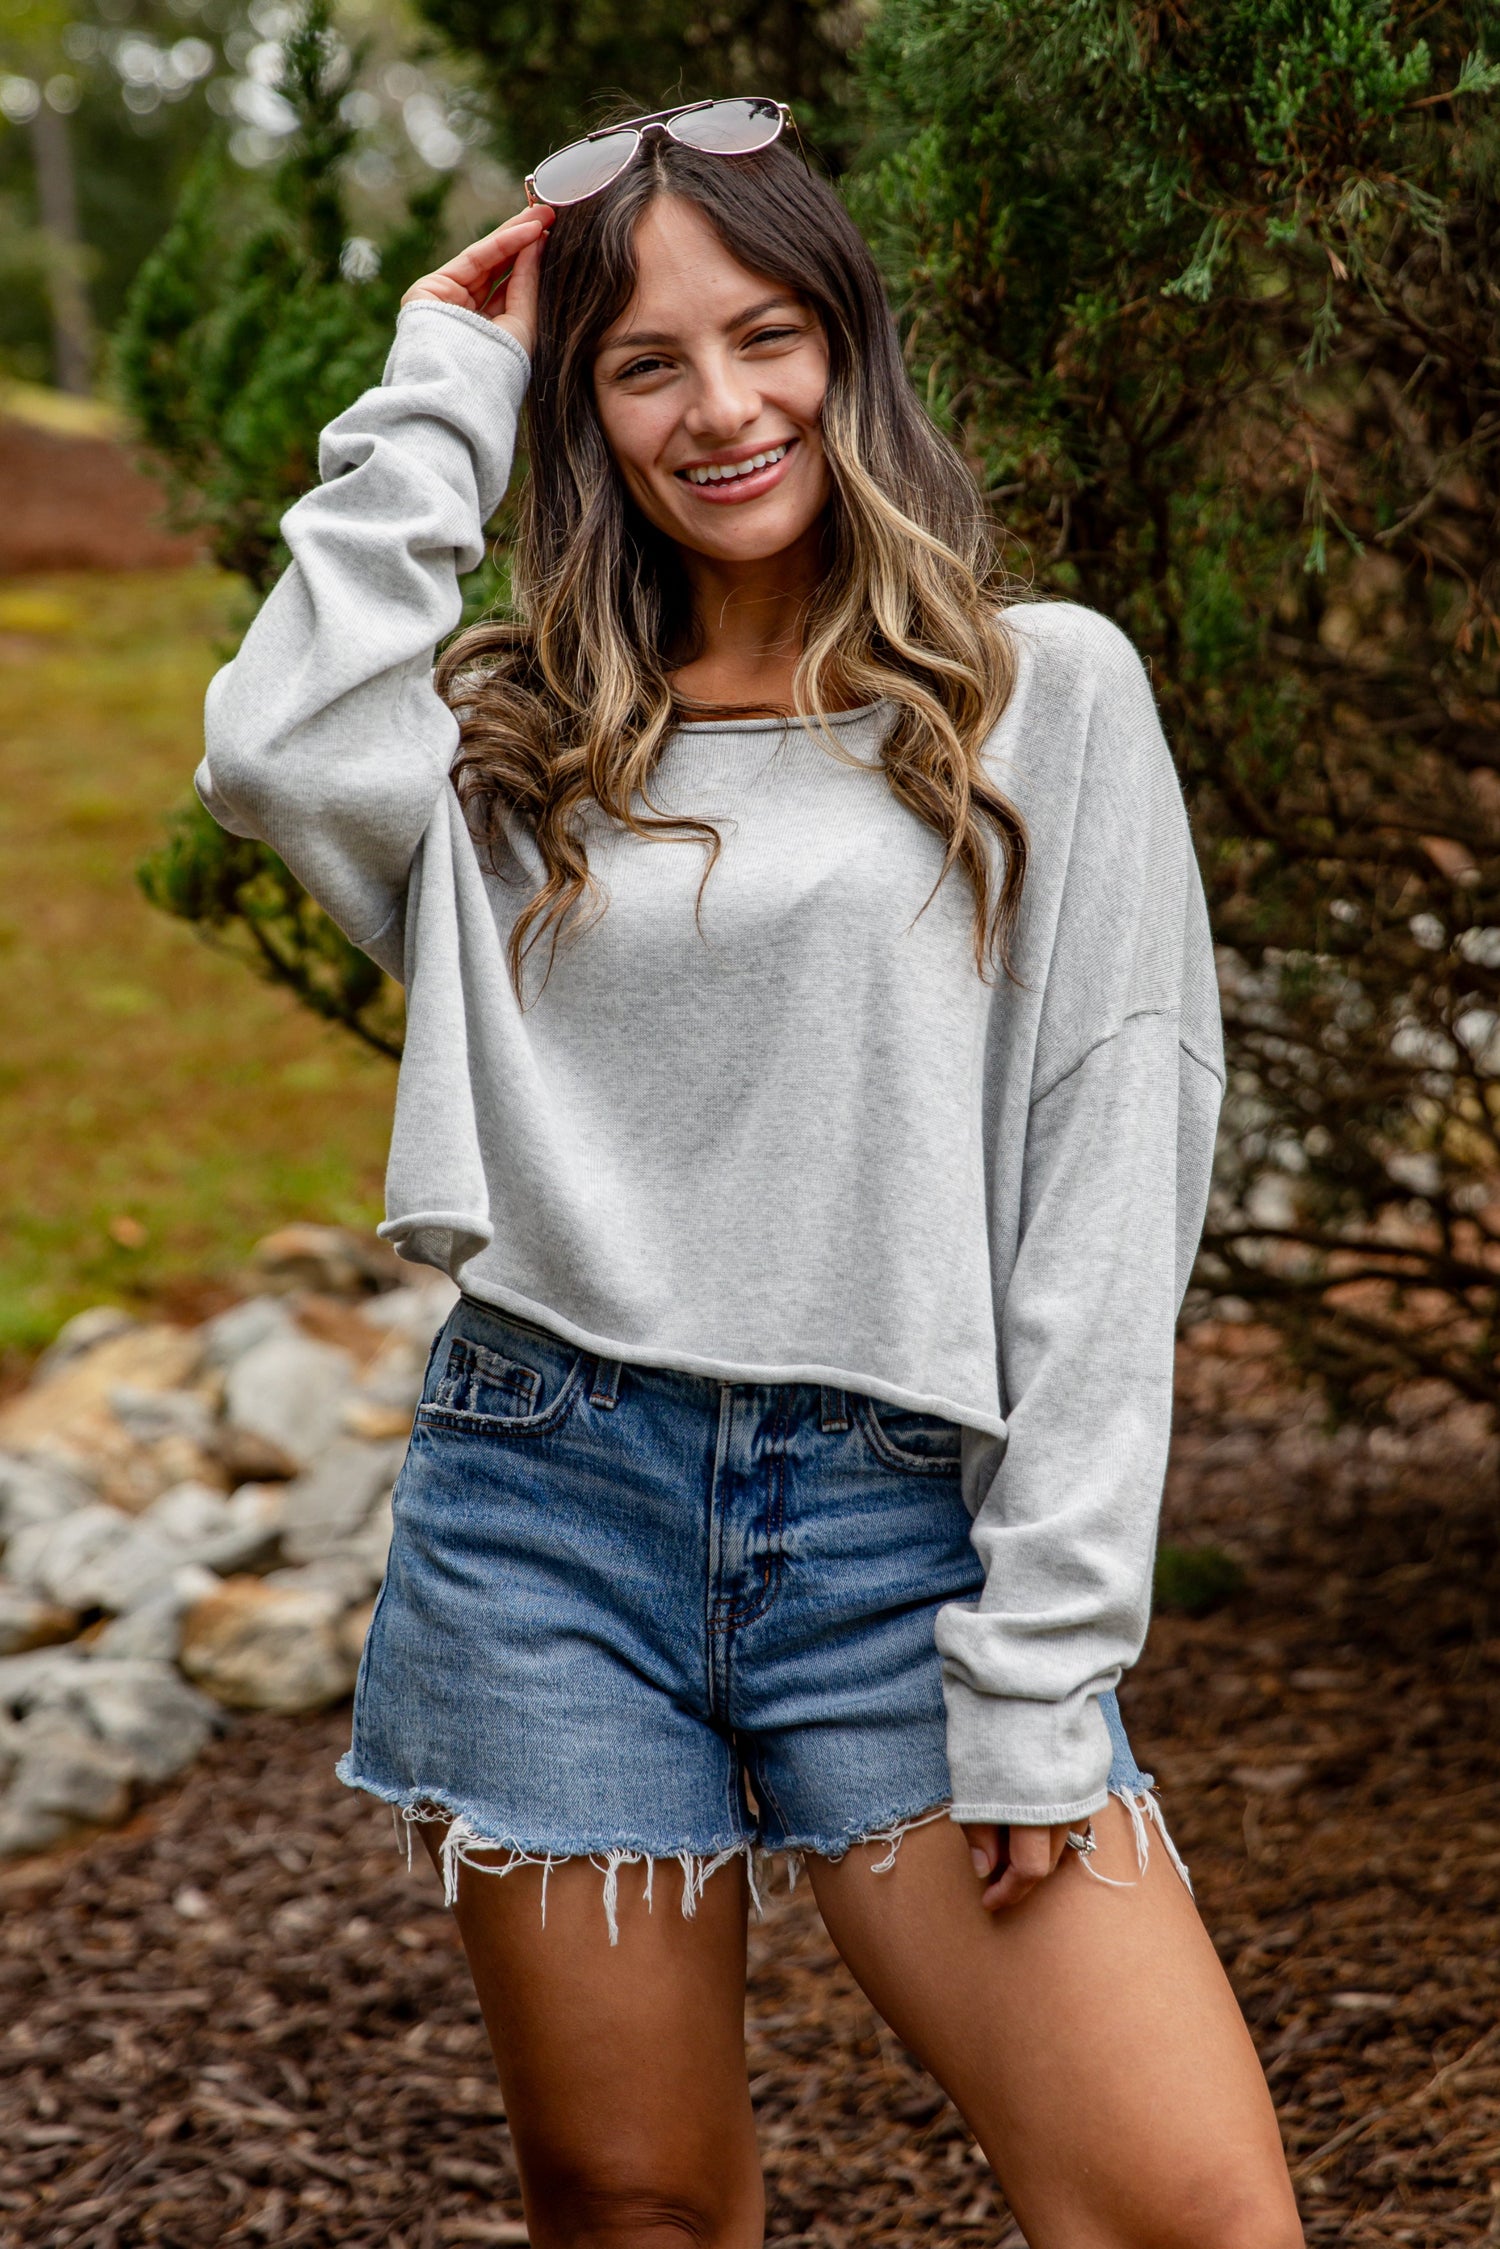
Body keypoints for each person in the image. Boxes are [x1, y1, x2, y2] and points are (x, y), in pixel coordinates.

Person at [197, 100, 1304, 2249]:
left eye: (768, 334)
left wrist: (1046, 1661)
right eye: (641, 364)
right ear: (579, 414)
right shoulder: (517, 748)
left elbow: (1109, 1180)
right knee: (633, 2209)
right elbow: (268, 748)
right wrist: (448, 374)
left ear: (847, 349)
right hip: (546, 1512)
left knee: (1185, 2215)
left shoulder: (1034, 694)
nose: (722, 407)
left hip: (903, 1540)